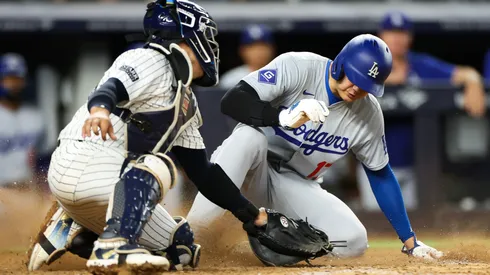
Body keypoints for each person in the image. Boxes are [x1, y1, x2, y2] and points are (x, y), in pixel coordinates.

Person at [27, 0, 329, 272]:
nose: (211, 46)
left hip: (107, 187)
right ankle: (113, 245)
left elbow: (205, 174)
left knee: (183, 249)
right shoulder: (150, 57)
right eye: (206, 37)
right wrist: (100, 111)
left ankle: (76, 231)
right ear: (186, 37)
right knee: (160, 165)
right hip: (86, 161)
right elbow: (112, 88)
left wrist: (253, 216)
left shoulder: (186, 99)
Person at [186, 34, 444, 261]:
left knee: (353, 241)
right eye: (354, 78)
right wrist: (282, 116)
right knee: (250, 138)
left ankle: (255, 248)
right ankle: (188, 237)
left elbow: (379, 173)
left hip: (294, 183)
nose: (356, 89)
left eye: (366, 86)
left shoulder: (368, 113)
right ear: (341, 64)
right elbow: (232, 101)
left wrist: (410, 241)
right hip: (249, 167)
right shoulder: (299, 67)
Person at [356, 11, 486, 211]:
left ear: (410, 37)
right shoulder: (366, 66)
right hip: (374, 167)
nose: (397, 38)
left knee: (417, 224)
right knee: (379, 225)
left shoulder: (420, 65)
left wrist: (474, 82)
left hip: (417, 167)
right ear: (381, 35)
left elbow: (464, 73)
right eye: (392, 32)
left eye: (402, 32)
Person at [0, 53, 45, 189]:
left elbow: (42, 157)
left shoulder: (36, 116)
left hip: (28, 188)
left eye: (18, 78)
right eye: (9, 78)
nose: (14, 84)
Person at [219, 24, 276, 91]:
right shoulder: (231, 79)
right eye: (253, 47)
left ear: (272, 49)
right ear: (242, 50)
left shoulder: (284, 76)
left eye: (263, 46)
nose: (259, 52)